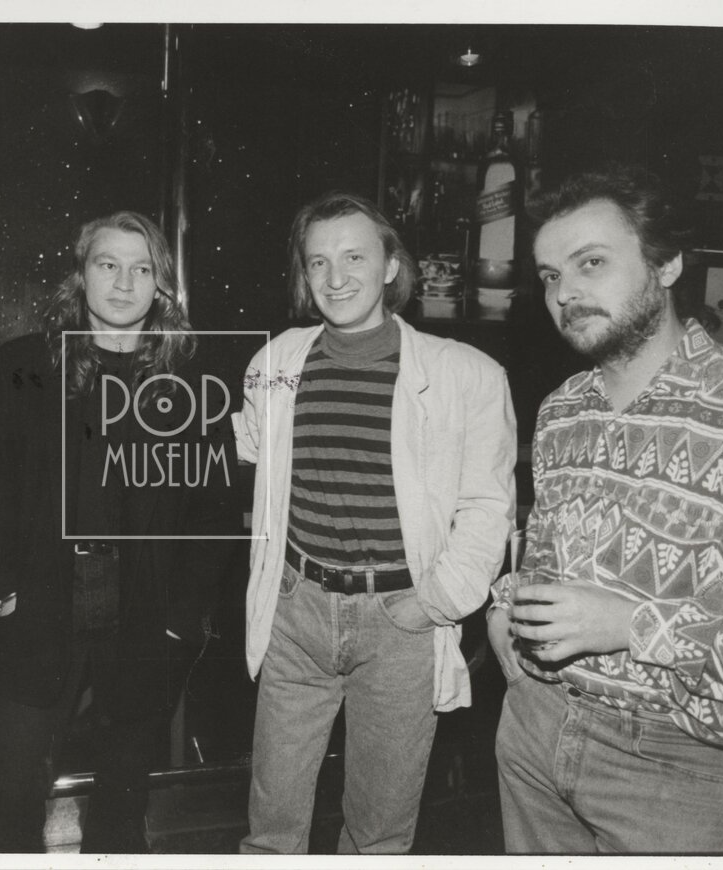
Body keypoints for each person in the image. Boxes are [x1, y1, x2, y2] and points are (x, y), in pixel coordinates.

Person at [233, 190, 517, 853]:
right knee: (271, 826)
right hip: (295, 611)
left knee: (378, 834)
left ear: (391, 266)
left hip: (400, 622)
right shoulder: (274, 364)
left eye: (354, 257)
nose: (335, 278)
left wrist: (434, 603)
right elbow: (250, 464)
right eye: (318, 262)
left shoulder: (467, 374)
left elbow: (487, 509)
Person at [487, 164, 723, 854]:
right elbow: (546, 560)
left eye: (591, 263)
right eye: (550, 275)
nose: (565, 292)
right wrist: (504, 608)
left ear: (666, 265)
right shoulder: (562, 409)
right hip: (537, 729)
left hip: (678, 766)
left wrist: (631, 625)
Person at [0, 211, 238, 853]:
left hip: (144, 610)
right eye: (108, 264)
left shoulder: (191, 380)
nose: (123, 283)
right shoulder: (24, 363)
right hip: (41, 600)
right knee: (12, 792)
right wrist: (2, 590)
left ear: (160, 284)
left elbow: (215, 510)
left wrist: (181, 619)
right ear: (80, 274)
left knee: (123, 801)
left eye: (141, 269)